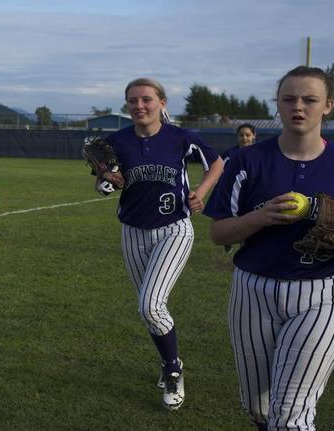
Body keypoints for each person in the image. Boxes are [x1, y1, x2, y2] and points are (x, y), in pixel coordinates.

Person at [203, 66, 334, 430]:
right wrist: (262, 217)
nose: (299, 107)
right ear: (277, 104)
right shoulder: (248, 161)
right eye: (289, 98)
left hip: (324, 291)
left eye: (310, 99)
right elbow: (219, 233)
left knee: (291, 412)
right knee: (259, 406)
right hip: (253, 291)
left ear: (328, 106)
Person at [95, 77, 224, 410]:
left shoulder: (179, 137)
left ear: (162, 103)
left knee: (150, 305)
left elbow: (218, 162)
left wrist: (201, 192)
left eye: (147, 99)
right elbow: (103, 185)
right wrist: (109, 181)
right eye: (133, 101)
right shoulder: (117, 140)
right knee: (152, 310)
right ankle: (170, 359)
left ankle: (172, 368)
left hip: (174, 229)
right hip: (133, 231)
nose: (139, 106)